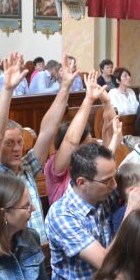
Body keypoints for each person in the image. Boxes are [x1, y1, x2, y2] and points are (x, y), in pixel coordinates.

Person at [0, 52, 69, 244]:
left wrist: (65, 87)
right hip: (11, 253)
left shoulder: (26, 168)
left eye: (19, 142)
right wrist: (7, 89)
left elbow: (47, 131)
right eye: (9, 143)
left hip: (40, 249)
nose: (17, 148)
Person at [46, 143, 140, 280]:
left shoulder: (104, 194)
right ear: (82, 183)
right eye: (107, 181)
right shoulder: (62, 215)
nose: (115, 185)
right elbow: (104, 262)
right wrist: (130, 212)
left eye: (114, 177)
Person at [45, 75, 118, 205]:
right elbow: (71, 141)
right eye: (85, 146)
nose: (89, 150)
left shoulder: (91, 163)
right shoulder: (56, 165)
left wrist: (107, 103)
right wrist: (89, 99)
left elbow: (116, 133)